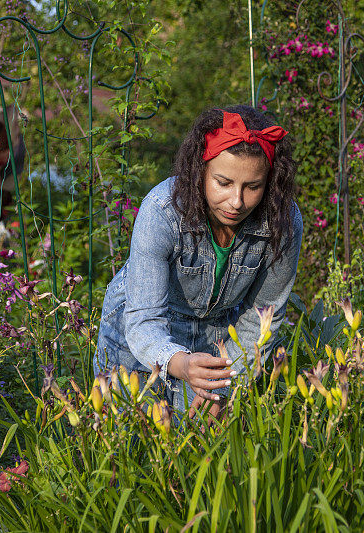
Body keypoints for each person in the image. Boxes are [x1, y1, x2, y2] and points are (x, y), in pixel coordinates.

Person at [95, 104, 303, 418]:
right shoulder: (162, 211)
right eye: (223, 183)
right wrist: (180, 364)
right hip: (136, 334)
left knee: (194, 444)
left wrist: (222, 384)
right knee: (125, 441)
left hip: (214, 336)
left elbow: (262, 317)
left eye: (252, 187)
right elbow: (144, 321)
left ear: (270, 183)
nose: (236, 201)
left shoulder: (282, 223)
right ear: (200, 170)